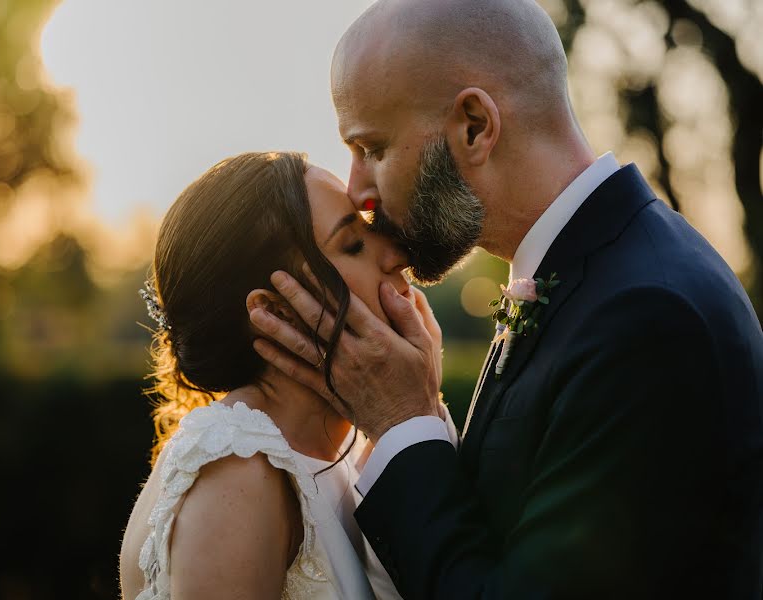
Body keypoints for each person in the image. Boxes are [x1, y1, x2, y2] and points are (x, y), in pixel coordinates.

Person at [250, 0, 763, 598]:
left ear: (474, 125)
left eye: (373, 148)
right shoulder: (591, 274)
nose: (359, 188)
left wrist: (399, 423)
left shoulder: (648, 317)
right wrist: (420, 412)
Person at [119, 151, 451, 599]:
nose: (397, 255)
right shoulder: (238, 474)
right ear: (275, 311)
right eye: (353, 244)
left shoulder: (355, 452)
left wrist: (418, 413)